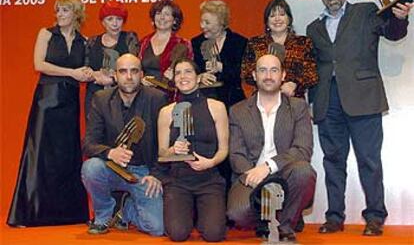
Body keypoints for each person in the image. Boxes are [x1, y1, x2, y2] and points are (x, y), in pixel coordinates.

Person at [306, 0, 413, 236]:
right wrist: (311, 101)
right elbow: (313, 68)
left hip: (364, 98)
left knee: (369, 160)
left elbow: (393, 33)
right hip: (327, 101)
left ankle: (375, 216)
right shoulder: (313, 28)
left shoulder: (366, 12)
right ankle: (334, 217)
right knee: (333, 161)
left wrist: (400, 18)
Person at [7, 0, 91, 227]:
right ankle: (29, 214)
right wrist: (72, 73)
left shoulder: (83, 41)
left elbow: (86, 70)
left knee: (67, 156)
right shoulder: (46, 34)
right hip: (47, 99)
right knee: (39, 153)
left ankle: (70, 215)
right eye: (58, 10)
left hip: (70, 101)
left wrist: (88, 74)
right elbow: (39, 65)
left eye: (64, 10)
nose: (59, 14)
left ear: (76, 14)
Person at [227, 54, 316, 243]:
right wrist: (253, 174)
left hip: (284, 171)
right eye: (263, 70)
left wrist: (268, 167)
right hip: (251, 174)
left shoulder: (298, 107)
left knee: (304, 171)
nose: (268, 75)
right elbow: (236, 154)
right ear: (254, 75)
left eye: (274, 70)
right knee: (237, 214)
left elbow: (303, 149)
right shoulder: (237, 110)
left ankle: (285, 225)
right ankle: (266, 220)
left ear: (283, 75)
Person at [81, 54, 167, 235]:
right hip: (113, 169)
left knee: (157, 228)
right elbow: (88, 143)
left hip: (144, 173)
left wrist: (156, 174)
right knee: (91, 168)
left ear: (142, 75)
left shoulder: (158, 99)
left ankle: (126, 210)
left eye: (134, 71)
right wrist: (110, 153)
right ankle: (104, 216)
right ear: (115, 75)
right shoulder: (101, 99)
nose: (129, 77)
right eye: (123, 71)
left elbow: (166, 143)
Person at [158, 58, 229, 242]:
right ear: (173, 80)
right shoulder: (166, 112)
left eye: (188, 71)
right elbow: (162, 154)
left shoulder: (217, 107)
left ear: (198, 78)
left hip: (209, 180)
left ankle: (203, 216)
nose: (183, 76)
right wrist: (173, 150)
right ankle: (188, 215)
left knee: (214, 234)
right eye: (178, 73)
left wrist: (210, 162)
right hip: (178, 181)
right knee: (178, 233)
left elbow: (224, 149)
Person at [242, 0, 318, 98]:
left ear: (289, 19)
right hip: (263, 99)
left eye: (282, 15)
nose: (277, 19)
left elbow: (312, 74)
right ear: (267, 21)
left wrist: (295, 84)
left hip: (293, 101)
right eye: (272, 16)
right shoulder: (255, 43)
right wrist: (267, 82)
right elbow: (246, 73)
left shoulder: (303, 43)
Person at [85, 1, 139, 117]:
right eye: (110, 19)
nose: (115, 24)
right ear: (103, 22)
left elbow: (135, 67)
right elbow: (85, 68)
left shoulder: (129, 38)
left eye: (119, 19)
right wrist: (93, 75)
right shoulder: (92, 41)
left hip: (123, 95)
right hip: (95, 95)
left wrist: (112, 79)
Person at [192, 0, 247, 109]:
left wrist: (221, 68)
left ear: (221, 23)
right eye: (201, 21)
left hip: (232, 102)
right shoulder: (196, 42)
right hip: (203, 100)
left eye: (207, 23)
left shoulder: (239, 42)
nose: (202, 26)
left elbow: (243, 73)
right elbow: (190, 69)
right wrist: (199, 76)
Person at [139, 0, 192, 99]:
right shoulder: (143, 43)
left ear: (175, 20)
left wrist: (176, 75)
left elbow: (190, 73)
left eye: (167, 14)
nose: (162, 17)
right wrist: (141, 79)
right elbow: (136, 69)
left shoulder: (183, 44)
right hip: (144, 96)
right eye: (158, 13)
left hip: (171, 98)